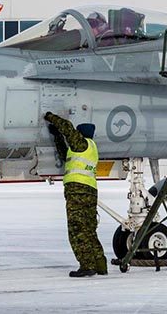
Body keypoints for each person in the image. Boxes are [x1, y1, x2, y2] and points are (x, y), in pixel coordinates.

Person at [44, 111, 108, 278]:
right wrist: (57, 136)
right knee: (90, 230)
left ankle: (87, 265)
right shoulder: (88, 149)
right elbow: (65, 154)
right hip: (89, 191)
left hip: (78, 192)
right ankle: (101, 265)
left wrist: (51, 117)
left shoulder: (81, 144)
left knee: (77, 229)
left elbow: (67, 127)